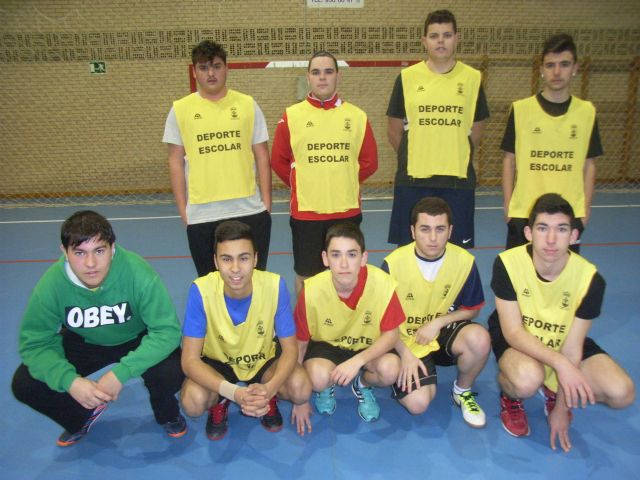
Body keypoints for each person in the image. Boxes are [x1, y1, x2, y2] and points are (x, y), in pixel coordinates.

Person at [11, 210, 185, 447]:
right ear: (65, 252)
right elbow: (35, 343)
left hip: (136, 336)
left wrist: (121, 373)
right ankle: (80, 418)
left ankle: (167, 414)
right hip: (85, 340)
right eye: (80, 253)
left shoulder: (137, 272)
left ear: (112, 248)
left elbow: (167, 332)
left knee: (172, 371)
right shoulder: (52, 284)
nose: (90, 264)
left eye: (99, 251)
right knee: (25, 383)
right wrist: (70, 381)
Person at [488, 193, 635, 452]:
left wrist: (561, 407)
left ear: (574, 236)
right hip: (519, 335)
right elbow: (512, 332)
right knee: (525, 379)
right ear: (528, 233)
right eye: (543, 228)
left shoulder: (590, 279)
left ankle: (552, 391)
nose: (551, 239)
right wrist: (560, 365)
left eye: (561, 229)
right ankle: (510, 395)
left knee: (622, 393)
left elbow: (573, 345)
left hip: (563, 338)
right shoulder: (507, 264)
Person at [180, 220, 311, 440]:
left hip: (263, 361)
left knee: (301, 388)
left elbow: (290, 350)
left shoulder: (274, 286)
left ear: (256, 259)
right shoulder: (201, 291)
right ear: (215, 261)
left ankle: (264, 395)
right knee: (192, 402)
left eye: (243, 258)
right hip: (219, 365)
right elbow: (189, 360)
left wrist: (270, 388)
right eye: (226, 259)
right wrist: (234, 393)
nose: (235, 269)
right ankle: (221, 399)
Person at [271, 50, 378, 293]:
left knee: (347, 276)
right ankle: (306, 331)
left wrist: (341, 178)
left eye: (328, 72)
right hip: (307, 215)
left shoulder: (357, 116)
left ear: (338, 77)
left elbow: (370, 162)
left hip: (346, 211)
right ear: (308, 77)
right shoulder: (291, 116)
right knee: (306, 278)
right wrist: (306, 183)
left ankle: (345, 328)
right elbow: (278, 161)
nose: (322, 78)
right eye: (316, 72)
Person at [164, 40, 272, 276]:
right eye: (203, 67)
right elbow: (175, 161)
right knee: (210, 286)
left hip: (249, 210)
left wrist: (266, 205)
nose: (210, 73)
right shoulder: (180, 109)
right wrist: (185, 211)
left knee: (253, 281)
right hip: (203, 214)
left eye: (216, 66)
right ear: (194, 72)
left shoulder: (247, 104)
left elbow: (262, 155)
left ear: (226, 68)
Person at [382, 197, 489, 427]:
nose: (432, 238)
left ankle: (462, 391)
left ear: (450, 231)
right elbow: (382, 324)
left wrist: (439, 322)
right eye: (425, 229)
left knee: (479, 339)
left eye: (440, 229)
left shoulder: (464, 262)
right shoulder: (393, 265)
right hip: (404, 340)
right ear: (412, 231)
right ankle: (402, 372)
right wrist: (405, 354)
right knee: (418, 404)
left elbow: (472, 310)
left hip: (439, 334)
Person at [386, 9, 489, 249]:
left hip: (457, 181)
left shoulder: (473, 79)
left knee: (455, 255)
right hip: (413, 181)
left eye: (446, 35)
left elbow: (477, 127)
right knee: (408, 254)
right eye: (434, 36)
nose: (440, 41)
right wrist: (417, 153)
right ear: (424, 41)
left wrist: (451, 149)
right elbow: (394, 129)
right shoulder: (407, 78)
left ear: (457, 38)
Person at [290, 222, 404, 433]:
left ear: (364, 258)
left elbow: (391, 334)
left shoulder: (383, 284)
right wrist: (300, 398)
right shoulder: (312, 291)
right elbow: (301, 343)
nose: (343, 264)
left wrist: (358, 361)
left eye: (351, 255)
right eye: (336, 255)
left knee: (391, 370)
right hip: (327, 347)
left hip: (367, 347)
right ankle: (326, 387)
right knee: (316, 378)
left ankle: (363, 384)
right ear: (325, 258)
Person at [501, 33, 603, 252]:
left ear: (575, 67)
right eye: (550, 65)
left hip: (567, 215)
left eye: (564, 64)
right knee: (517, 282)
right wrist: (509, 207)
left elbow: (590, 164)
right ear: (541, 69)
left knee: (560, 282)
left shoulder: (586, 112)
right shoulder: (521, 110)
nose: (557, 72)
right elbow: (509, 161)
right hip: (524, 213)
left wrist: (584, 211)